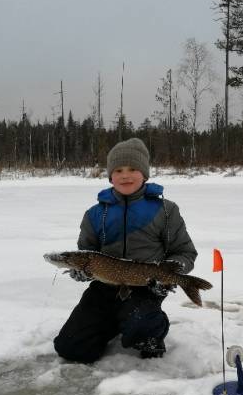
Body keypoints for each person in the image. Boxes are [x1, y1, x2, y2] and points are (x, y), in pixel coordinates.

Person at [53, 138, 197, 363]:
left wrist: (170, 275)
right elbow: (86, 253)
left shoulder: (166, 211)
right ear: (110, 175)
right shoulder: (95, 214)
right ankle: (113, 323)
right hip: (104, 288)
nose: (125, 175)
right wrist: (80, 272)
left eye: (133, 169)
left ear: (145, 174)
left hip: (146, 288)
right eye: (118, 170)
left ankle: (152, 331)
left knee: (141, 325)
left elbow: (185, 253)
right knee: (71, 348)